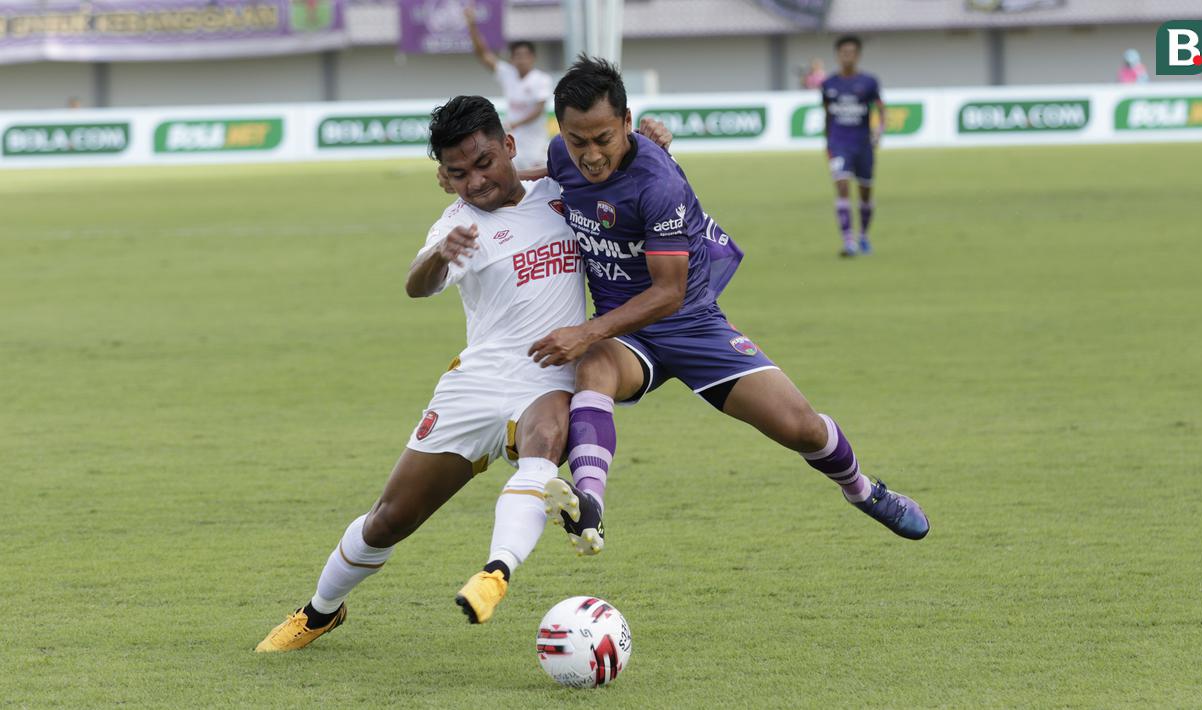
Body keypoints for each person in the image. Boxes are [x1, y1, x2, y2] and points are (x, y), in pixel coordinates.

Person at [254, 97, 675, 652]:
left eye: (483, 163)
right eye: (457, 173)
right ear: (442, 177)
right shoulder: (457, 223)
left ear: (508, 146)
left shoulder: (560, 193)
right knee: (389, 519)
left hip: (548, 372)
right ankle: (320, 611)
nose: (475, 182)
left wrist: (649, 144)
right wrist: (439, 256)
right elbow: (417, 285)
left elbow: (612, 168)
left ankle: (495, 574)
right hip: (475, 383)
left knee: (545, 441)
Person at [528, 57, 929, 560]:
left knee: (800, 426)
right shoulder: (562, 155)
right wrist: (475, 185)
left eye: (602, 139)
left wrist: (586, 330)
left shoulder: (658, 184)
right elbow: (537, 179)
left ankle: (864, 491)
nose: (588, 155)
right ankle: (589, 501)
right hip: (626, 337)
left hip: (691, 325)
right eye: (575, 139)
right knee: (596, 367)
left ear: (627, 124)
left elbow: (668, 293)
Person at [464, 6, 553, 171]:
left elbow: (539, 110)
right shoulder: (508, 74)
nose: (522, 60)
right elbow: (482, 53)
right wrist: (472, 25)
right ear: (512, 58)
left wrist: (515, 123)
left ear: (533, 57)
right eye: (518, 56)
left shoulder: (541, 79)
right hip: (512, 141)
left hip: (536, 144)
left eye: (525, 55)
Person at [821, 35, 884, 257]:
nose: (847, 56)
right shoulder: (829, 84)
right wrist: (827, 143)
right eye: (843, 52)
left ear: (857, 55)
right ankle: (848, 241)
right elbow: (827, 114)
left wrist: (879, 131)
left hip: (863, 145)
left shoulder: (869, 82)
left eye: (851, 52)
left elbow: (880, 107)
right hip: (839, 144)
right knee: (842, 186)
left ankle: (864, 236)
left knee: (865, 193)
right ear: (838, 55)